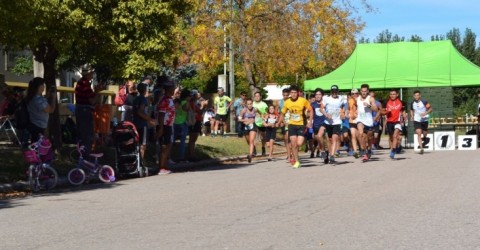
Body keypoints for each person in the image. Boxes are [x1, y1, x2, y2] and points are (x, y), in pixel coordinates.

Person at [278, 85, 312, 168]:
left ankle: (301, 149)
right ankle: (297, 161)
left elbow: (311, 110)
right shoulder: (287, 102)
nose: (293, 94)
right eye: (292, 92)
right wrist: (279, 122)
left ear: (298, 93)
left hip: (301, 125)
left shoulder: (303, 101)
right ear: (290, 93)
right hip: (292, 125)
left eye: (295, 92)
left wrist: (310, 121)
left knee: (299, 143)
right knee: (293, 144)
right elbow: (282, 113)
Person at [75, 67, 101, 155]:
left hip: (81, 109)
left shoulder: (81, 82)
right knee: (87, 135)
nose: (93, 75)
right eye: (92, 73)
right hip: (84, 111)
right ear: (88, 74)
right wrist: (97, 92)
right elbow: (92, 101)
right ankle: (85, 155)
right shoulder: (85, 84)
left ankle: (82, 154)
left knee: (82, 134)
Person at [320, 85, 346, 164]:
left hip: (337, 122)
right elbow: (321, 108)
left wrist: (343, 113)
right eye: (333, 91)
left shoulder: (341, 98)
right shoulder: (326, 98)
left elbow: (346, 105)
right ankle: (327, 152)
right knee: (329, 139)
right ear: (331, 92)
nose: (334, 93)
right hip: (328, 122)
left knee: (334, 138)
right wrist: (326, 114)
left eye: (335, 91)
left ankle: (332, 156)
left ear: (338, 91)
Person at [25, 77, 56, 143]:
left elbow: (41, 104)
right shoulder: (39, 100)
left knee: (35, 146)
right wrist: (53, 98)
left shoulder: (32, 97)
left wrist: (47, 95)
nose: (44, 86)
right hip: (39, 126)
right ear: (39, 86)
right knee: (40, 147)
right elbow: (51, 110)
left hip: (33, 124)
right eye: (43, 84)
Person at [156, 80, 176, 175]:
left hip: (169, 125)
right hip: (164, 126)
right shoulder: (164, 100)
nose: (174, 90)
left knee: (168, 146)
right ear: (168, 89)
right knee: (164, 147)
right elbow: (161, 115)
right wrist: (160, 128)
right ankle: (161, 168)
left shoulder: (170, 99)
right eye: (172, 88)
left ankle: (165, 165)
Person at [133, 83, 155, 164]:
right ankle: (141, 161)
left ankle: (137, 160)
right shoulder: (143, 99)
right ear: (145, 90)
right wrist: (149, 119)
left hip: (135, 123)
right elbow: (140, 112)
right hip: (142, 124)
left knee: (137, 143)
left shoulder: (135, 99)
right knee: (143, 144)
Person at [355, 83, 378, 162]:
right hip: (360, 119)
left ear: (367, 91)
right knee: (361, 134)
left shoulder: (370, 98)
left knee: (369, 138)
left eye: (365, 91)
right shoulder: (357, 98)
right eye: (362, 91)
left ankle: (369, 149)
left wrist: (368, 106)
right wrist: (354, 112)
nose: (364, 92)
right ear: (360, 91)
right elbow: (355, 107)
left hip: (368, 121)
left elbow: (375, 109)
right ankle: (364, 152)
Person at [382, 89, 405, 159]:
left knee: (395, 136)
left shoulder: (401, 102)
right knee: (391, 137)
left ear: (397, 95)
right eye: (391, 94)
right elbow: (382, 112)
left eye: (394, 94)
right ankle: (395, 148)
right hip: (389, 121)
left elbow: (403, 111)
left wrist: (404, 117)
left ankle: (393, 150)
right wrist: (386, 112)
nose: (392, 95)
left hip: (397, 121)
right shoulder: (386, 102)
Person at [187, 89, 207, 161]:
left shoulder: (194, 102)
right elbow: (200, 111)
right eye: (196, 94)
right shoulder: (192, 103)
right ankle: (191, 156)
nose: (198, 95)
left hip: (196, 121)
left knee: (193, 139)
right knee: (192, 139)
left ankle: (192, 155)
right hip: (194, 122)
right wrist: (204, 106)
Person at [410, 90, 432, 154]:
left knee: (424, 132)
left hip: (424, 119)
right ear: (413, 96)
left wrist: (425, 113)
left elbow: (430, 109)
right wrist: (412, 116)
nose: (416, 97)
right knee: (419, 133)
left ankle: (425, 137)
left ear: (420, 95)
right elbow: (411, 110)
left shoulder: (424, 102)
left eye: (418, 95)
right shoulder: (412, 103)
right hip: (417, 120)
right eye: (415, 95)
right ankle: (421, 148)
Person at [173, 89, 190, 162]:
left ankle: (169, 156)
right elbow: (187, 111)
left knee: (172, 140)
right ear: (187, 96)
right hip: (183, 122)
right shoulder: (186, 103)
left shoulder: (177, 102)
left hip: (175, 122)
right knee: (182, 141)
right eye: (189, 96)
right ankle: (181, 157)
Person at [239, 98, 258, 163]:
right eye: (248, 104)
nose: (249, 105)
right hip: (246, 127)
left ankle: (250, 155)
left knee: (252, 140)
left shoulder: (255, 109)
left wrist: (258, 119)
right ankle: (254, 149)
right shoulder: (243, 111)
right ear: (246, 105)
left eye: (251, 104)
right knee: (248, 141)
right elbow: (239, 119)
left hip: (253, 126)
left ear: (252, 104)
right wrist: (245, 120)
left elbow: (261, 114)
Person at [310, 88, 327, 159]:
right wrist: (310, 122)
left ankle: (322, 151)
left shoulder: (325, 103)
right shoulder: (312, 104)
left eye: (319, 94)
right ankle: (324, 151)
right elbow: (310, 114)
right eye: (316, 94)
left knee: (320, 136)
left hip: (324, 123)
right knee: (317, 138)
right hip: (315, 124)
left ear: (322, 95)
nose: (317, 96)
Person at [279, 88, 292, 163]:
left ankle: (291, 153)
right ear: (282, 94)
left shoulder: (291, 101)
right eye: (284, 95)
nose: (285, 96)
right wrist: (282, 121)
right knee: (286, 139)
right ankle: (288, 153)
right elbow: (280, 113)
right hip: (284, 122)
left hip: (291, 122)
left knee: (290, 138)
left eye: (287, 95)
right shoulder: (280, 102)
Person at [252, 91, 268, 155]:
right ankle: (254, 150)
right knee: (253, 137)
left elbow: (266, 113)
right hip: (254, 122)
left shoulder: (264, 104)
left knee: (263, 137)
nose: (257, 97)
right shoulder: (252, 104)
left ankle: (263, 148)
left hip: (261, 122)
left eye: (258, 96)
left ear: (260, 97)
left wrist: (264, 117)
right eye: (255, 96)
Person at [348, 88, 360, 158]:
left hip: (360, 120)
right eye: (352, 94)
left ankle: (362, 148)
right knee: (353, 135)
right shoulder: (349, 101)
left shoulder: (361, 100)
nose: (354, 95)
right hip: (352, 120)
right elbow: (346, 109)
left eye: (356, 93)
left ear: (358, 94)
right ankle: (355, 151)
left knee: (360, 136)